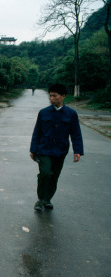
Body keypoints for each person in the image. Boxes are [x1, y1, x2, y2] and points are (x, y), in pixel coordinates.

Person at [29, 83, 84, 211]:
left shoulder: (71, 114)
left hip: (60, 151)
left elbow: (76, 133)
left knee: (54, 176)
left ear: (63, 96)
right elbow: (37, 132)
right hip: (44, 149)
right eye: (50, 96)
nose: (51, 98)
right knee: (45, 173)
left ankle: (48, 199)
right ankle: (41, 199)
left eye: (54, 96)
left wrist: (78, 151)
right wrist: (33, 149)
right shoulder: (43, 113)